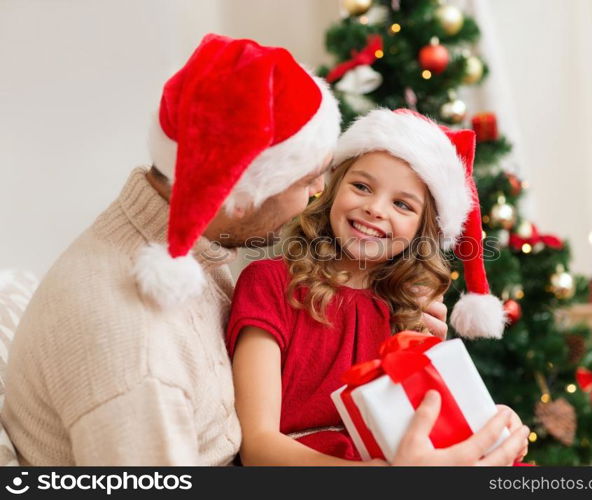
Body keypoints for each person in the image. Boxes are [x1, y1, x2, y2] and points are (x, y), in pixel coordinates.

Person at [0, 34, 343, 465]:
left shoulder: (188, 249)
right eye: (306, 180)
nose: (319, 192)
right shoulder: (140, 360)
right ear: (238, 200)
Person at [227, 109, 529, 466]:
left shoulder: (412, 309)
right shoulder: (271, 283)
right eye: (362, 187)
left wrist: (493, 424)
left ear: (423, 229)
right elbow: (258, 447)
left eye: (402, 204)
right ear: (333, 188)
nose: (374, 208)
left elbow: (426, 430)